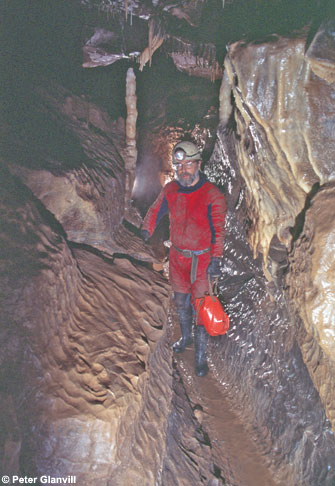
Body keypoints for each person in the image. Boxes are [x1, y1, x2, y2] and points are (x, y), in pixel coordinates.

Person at [141, 141, 226, 376]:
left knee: (200, 307)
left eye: (188, 164)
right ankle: (185, 338)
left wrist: (216, 259)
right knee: (180, 301)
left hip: (202, 261)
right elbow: (155, 210)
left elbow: (218, 230)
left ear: (198, 164)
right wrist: (146, 229)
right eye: (179, 165)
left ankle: (200, 357)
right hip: (177, 257)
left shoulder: (212, 195)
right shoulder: (171, 190)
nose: (183, 169)